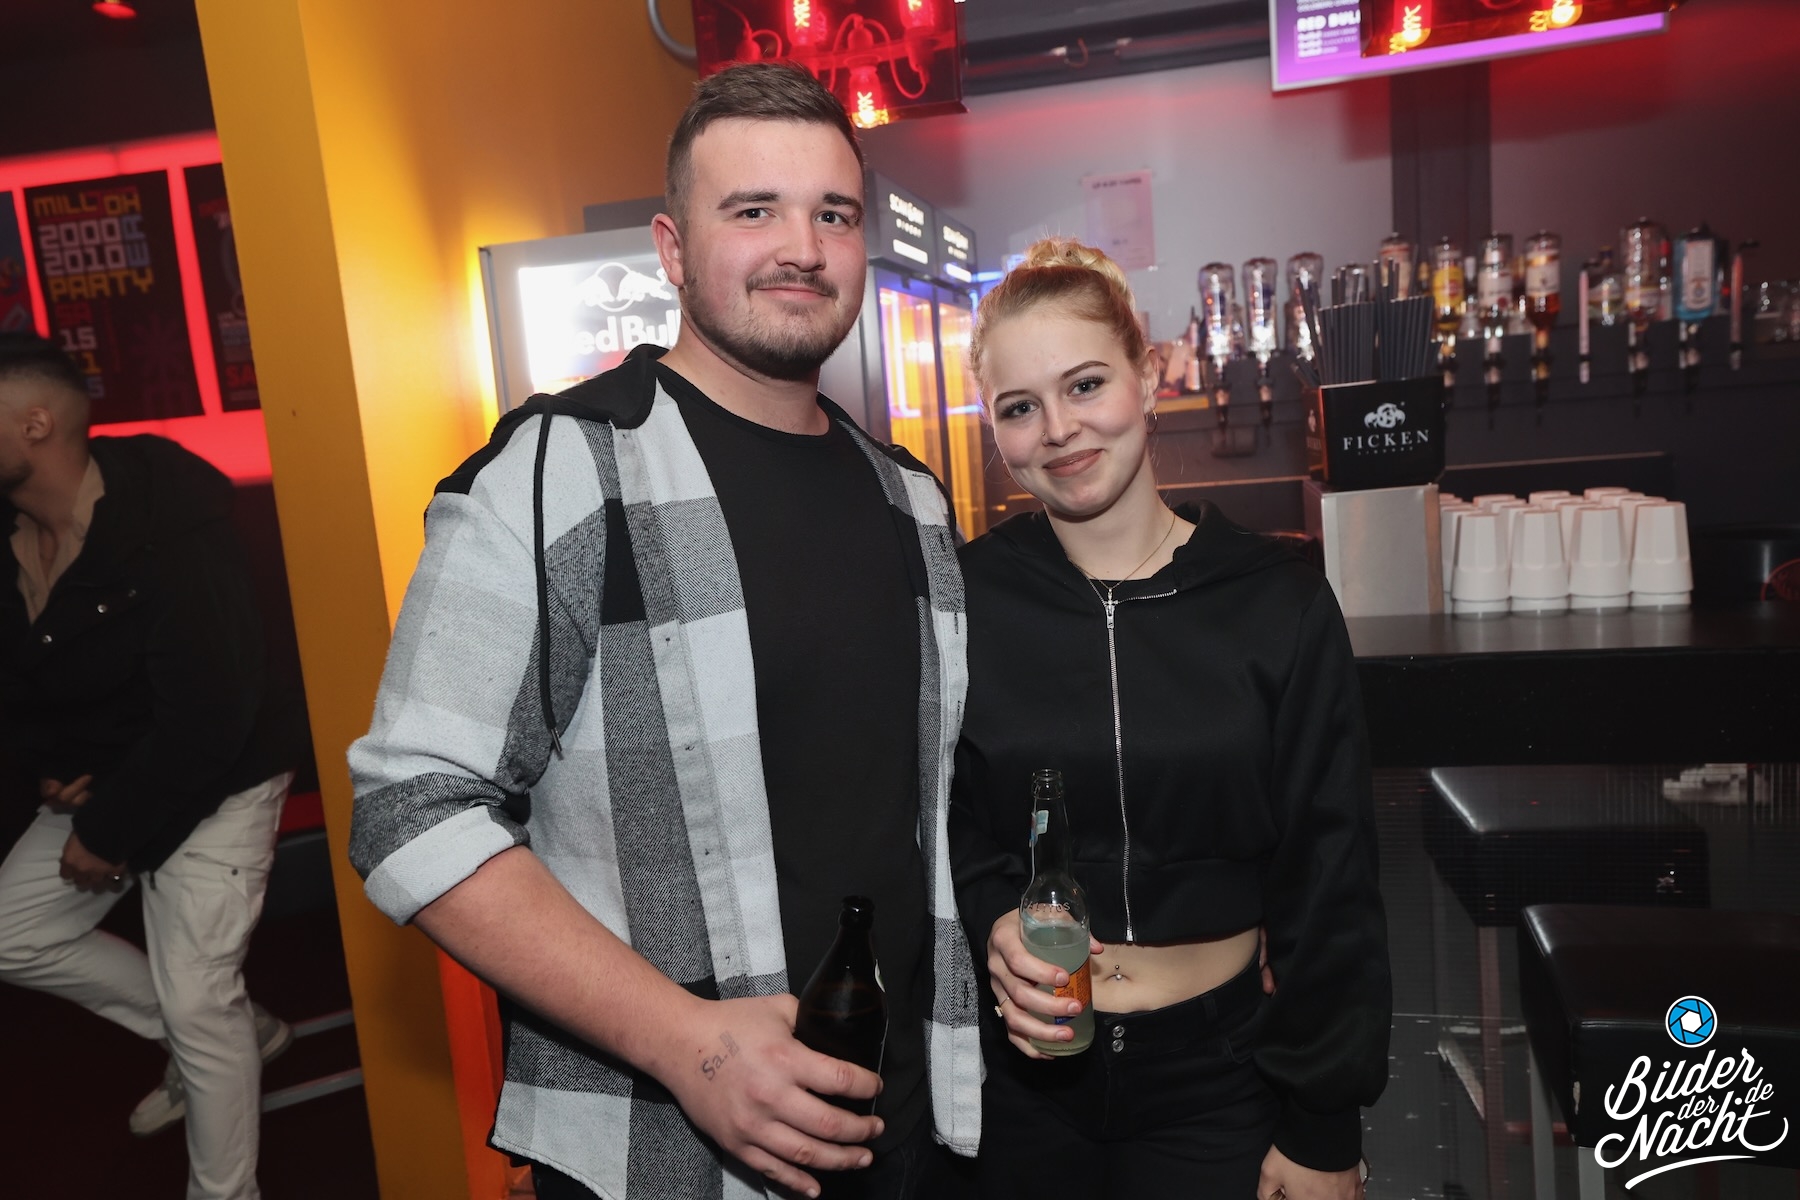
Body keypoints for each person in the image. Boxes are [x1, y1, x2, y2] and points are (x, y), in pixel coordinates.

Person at [347, 62, 980, 1200]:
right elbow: (410, 807)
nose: (803, 247)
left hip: (905, 1131)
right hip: (667, 1155)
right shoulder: (560, 474)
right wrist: (693, 1047)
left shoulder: (913, 499)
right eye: (755, 211)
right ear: (673, 250)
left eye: (833, 214)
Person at [948, 239, 1391, 1200]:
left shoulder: (1276, 601)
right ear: (994, 427)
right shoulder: (964, 602)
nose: (1059, 430)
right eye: (1020, 407)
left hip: (1218, 1080)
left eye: (1085, 385)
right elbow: (946, 821)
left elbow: (1331, 872)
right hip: (1018, 1086)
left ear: (1147, 378)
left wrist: (1324, 1124)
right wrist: (993, 917)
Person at [0, 332, 304, 1200]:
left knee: (198, 999)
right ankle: (238, 1033)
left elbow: (212, 715)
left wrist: (108, 831)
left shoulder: (168, 523)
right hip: (115, 776)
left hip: (223, 779)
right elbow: (27, 686)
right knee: (12, 934)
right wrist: (55, 768)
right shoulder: (11, 535)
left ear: (34, 424)